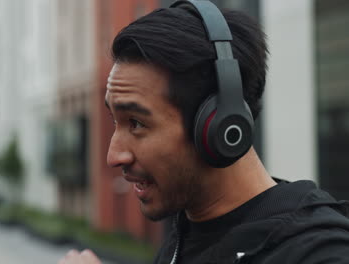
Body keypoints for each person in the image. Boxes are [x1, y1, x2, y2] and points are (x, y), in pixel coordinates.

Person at [59, 0, 349, 263]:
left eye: (136, 123)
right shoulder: (184, 233)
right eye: (115, 121)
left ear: (219, 125)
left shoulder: (319, 253)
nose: (113, 156)